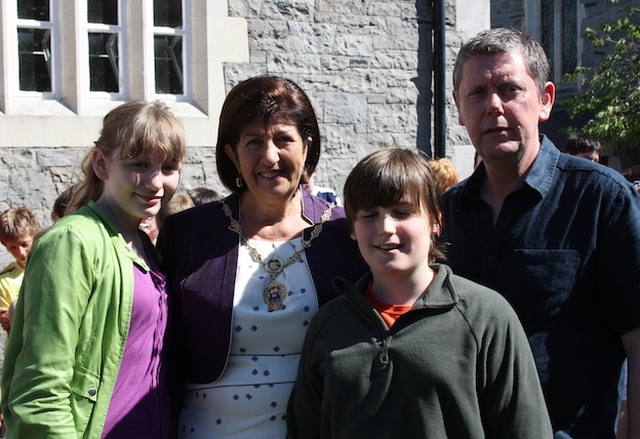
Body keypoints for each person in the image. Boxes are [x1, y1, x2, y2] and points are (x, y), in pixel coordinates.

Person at [442, 27, 640, 438]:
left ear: (545, 99)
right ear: (459, 109)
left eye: (510, 89)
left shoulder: (602, 200)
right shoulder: (445, 214)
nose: (493, 105)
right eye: (477, 93)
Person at [287, 147, 552, 438]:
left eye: (402, 212)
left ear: (436, 221)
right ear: (353, 227)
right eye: (369, 215)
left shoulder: (486, 318)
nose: (386, 227)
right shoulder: (328, 325)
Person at [157, 76, 368, 438]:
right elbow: (162, 354)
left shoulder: (346, 233)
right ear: (232, 155)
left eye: (283, 139)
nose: (270, 156)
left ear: (307, 147)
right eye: (253, 141)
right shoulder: (187, 235)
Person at [1, 100, 186, 438]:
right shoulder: (72, 242)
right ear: (102, 163)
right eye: (139, 164)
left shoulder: (147, 250)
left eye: (169, 166)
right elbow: (41, 388)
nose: (156, 182)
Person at [0, 207, 41, 334]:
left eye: (24, 244)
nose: (21, 253)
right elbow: (12, 328)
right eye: (13, 247)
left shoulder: (52, 264)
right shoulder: (5, 281)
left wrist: (17, 312)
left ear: (36, 235)